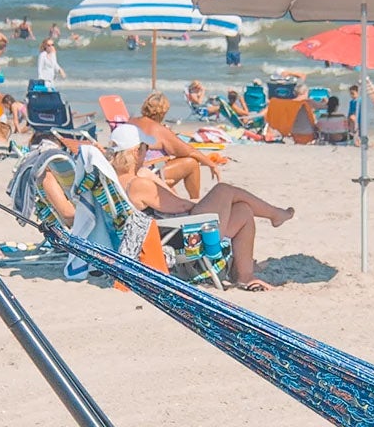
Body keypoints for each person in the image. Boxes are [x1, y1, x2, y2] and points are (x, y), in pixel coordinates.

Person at [102, 125, 293, 292]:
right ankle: (275, 214)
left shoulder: (116, 181)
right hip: (183, 238)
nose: (147, 152)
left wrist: (152, 178)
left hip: (170, 231)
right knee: (223, 191)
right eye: (145, 147)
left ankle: (245, 276)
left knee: (243, 210)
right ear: (136, 152)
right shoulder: (139, 185)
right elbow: (180, 204)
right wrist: (210, 205)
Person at [138, 92, 223, 199]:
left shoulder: (133, 123)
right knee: (191, 163)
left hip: (133, 172)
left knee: (169, 163)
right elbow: (189, 151)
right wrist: (212, 165)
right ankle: (195, 201)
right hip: (150, 174)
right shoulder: (160, 130)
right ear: (163, 112)